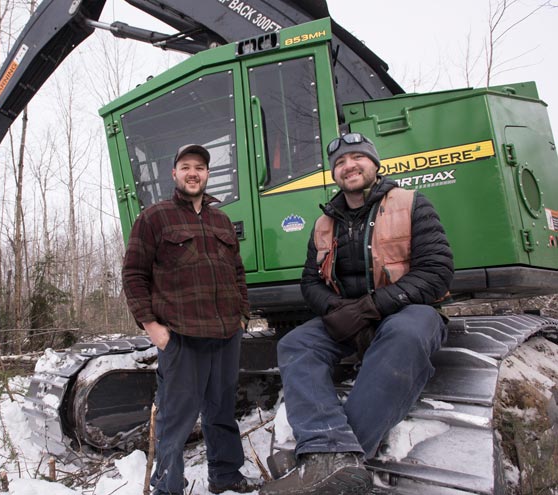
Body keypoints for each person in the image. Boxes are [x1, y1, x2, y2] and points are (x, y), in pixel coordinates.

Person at [260, 132, 454, 495]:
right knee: (295, 343)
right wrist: (333, 309)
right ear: (334, 174)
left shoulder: (412, 204)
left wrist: (372, 306)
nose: (348, 166)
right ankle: (327, 453)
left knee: (407, 336)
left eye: (356, 158)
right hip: (347, 316)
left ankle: (329, 462)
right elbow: (309, 281)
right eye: (339, 163)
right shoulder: (324, 223)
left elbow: (436, 271)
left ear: (374, 163)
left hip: (406, 311)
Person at [122, 144, 259, 495]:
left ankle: (226, 476)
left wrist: (242, 315)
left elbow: (237, 273)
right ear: (174, 174)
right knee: (176, 417)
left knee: (222, 410)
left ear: (208, 174)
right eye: (185, 166)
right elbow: (134, 274)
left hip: (226, 333)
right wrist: (152, 326)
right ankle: (168, 486)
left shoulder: (221, 220)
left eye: (199, 167)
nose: (193, 173)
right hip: (181, 335)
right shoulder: (155, 217)